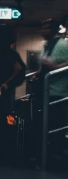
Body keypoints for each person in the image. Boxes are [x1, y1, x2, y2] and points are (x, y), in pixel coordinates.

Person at [0, 26, 25, 160]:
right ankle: (1, 149)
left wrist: (5, 83)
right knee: (4, 118)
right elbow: (19, 69)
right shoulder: (10, 53)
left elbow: (18, 69)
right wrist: (7, 83)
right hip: (4, 90)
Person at [37, 18, 68, 162]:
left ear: (55, 30)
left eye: (47, 28)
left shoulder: (61, 44)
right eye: (42, 28)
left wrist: (53, 67)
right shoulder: (49, 45)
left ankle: (57, 155)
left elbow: (58, 64)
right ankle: (48, 154)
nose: (43, 31)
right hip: (49, 91)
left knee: (56, 125)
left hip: (58, 92)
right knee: (48, 124)